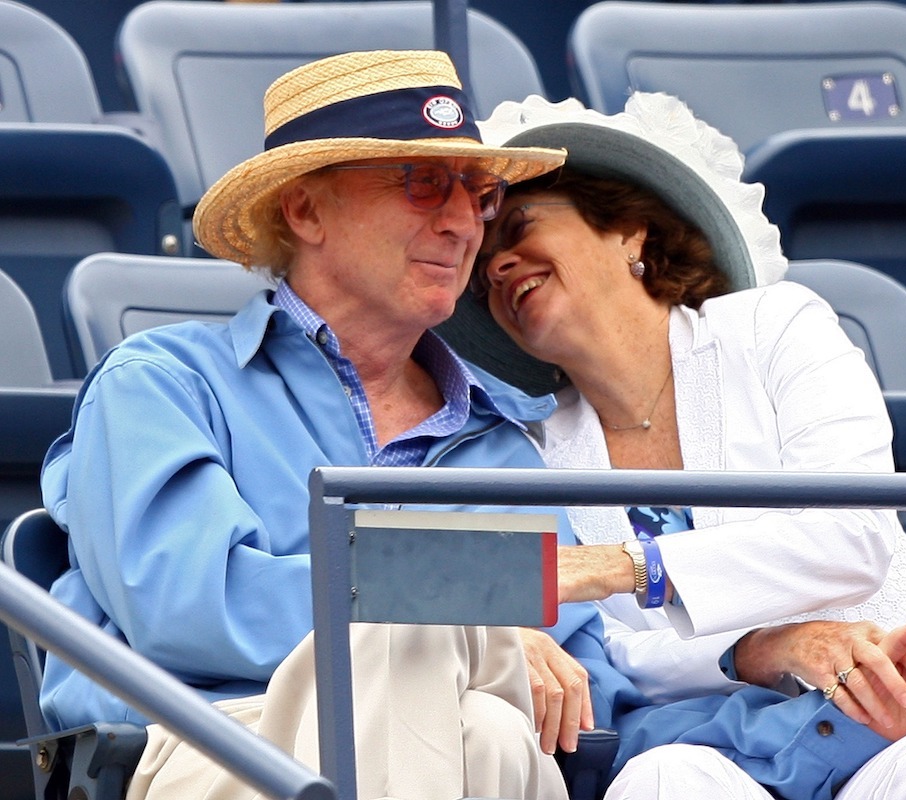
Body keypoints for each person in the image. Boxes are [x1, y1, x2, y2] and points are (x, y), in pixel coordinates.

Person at [439, 93, 906, 800]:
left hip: (899, 718)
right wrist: (760, 650)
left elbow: (853, 532)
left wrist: (625, 567)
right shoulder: (532, 446)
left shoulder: (776, 328)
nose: (500, 265)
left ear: (630, 232)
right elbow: (610, 653)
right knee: (663, 780)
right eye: (484, 266)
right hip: (710, 749)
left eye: (518, 226)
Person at [39, 50, 578, 800]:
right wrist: (467, 626)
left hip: (455, 756)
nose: (462, 223)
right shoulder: (161, 383)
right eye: (424, 183)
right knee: (419, 648)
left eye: (479, 193)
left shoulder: (500, 440)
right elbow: (194, 605)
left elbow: (587, 680)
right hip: (217, 746)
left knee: (490, 728)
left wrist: (772, 695)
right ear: (305, 209)